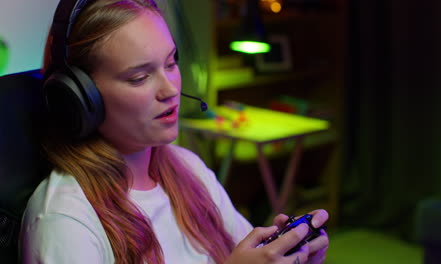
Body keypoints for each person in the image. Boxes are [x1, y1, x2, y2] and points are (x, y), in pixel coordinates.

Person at [19, 0, 329, 263]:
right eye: (140, 77)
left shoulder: (188, 168)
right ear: (79, 98)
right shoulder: (64, 219)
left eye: (171, 63)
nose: (170, 90)